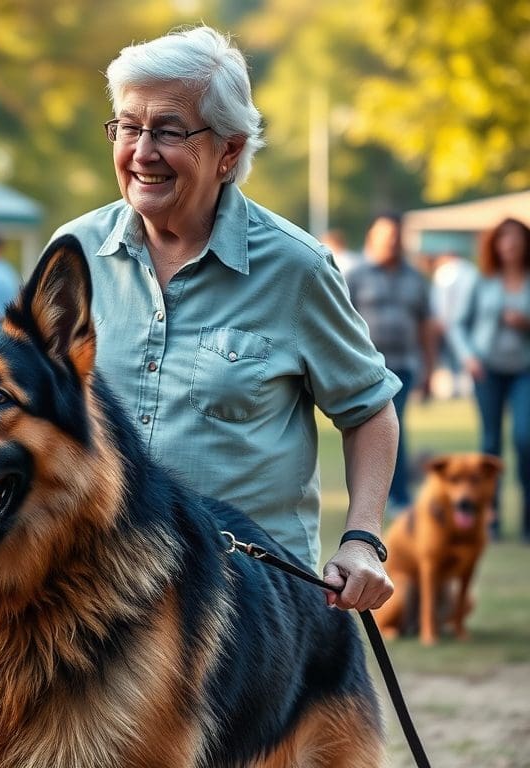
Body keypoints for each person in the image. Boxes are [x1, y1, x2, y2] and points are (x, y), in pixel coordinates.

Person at [52, 26, 399, 612]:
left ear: (230, 152)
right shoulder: (73, 254)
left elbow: (369, 411)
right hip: (99, 594)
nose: (142, 152)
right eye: (129, 127)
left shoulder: (295, 268)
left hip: (250, 599)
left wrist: (362, 541)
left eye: (168, 131)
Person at [346, 213, 437, 512]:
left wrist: (430, 368)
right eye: (385, 236)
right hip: (367, 365)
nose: (391, 242)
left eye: (396, 236)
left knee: (393, 425)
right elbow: (342, 320)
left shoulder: (415, 278)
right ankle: (379, 494)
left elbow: (426, 325)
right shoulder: (356, 276)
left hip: (403, 365)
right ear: (371, 238)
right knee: (373, 427)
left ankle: (397, 494)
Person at [450, 217, 530, 542]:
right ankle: (490, 515)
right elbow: (457, 324)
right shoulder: (482, 280)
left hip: (524, 370)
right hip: (487, 370)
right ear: (495, 244)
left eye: (516, 238)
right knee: (491, 443)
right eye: (503, 238)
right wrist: (468, 357)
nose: (510, 244)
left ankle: (527, 515)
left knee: (525, 438)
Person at [430, 244, 478, 399]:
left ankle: (454, 388)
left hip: (450, 322)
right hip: (469, 322)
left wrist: (440, 319)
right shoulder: (471, 270)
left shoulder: (446, 271)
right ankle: (465, 387)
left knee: (452, 358)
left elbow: (441, 300)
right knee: (465, 354)